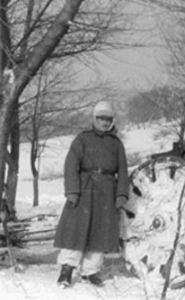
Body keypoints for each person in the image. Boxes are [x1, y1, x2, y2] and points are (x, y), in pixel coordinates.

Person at [53, 101, 129, 288]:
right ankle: (67, 269)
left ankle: (91, 271)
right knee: (75, 229)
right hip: (84, 188)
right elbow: (71, 165)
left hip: (106, 191)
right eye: (101, 118)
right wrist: (72, 190)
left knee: (100, 231)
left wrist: (121, 194)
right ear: (94, 119)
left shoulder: (116, 143)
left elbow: (123, 171)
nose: (105, 122)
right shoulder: (82, 139)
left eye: (108, 119)